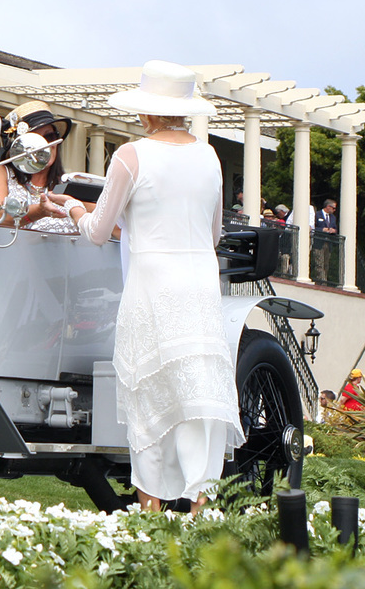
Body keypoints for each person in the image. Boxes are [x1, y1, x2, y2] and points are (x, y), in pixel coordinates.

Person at [63, 60, 241, 512]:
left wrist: (71, 209)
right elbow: (214, 233)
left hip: (151, 287)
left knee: (148, 394)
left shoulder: (130, 155)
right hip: (199, 289)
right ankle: (202, 509)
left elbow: (99, 230)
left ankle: (152, 512)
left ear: (146, 112)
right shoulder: (209, 156)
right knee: (198, 398)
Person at [0, 99, 87, 232]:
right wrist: (38, 211)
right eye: (34, 139)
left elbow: (103, 218)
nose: (44, 146)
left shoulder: (70, 183)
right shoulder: (1, 172)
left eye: (50, 136)